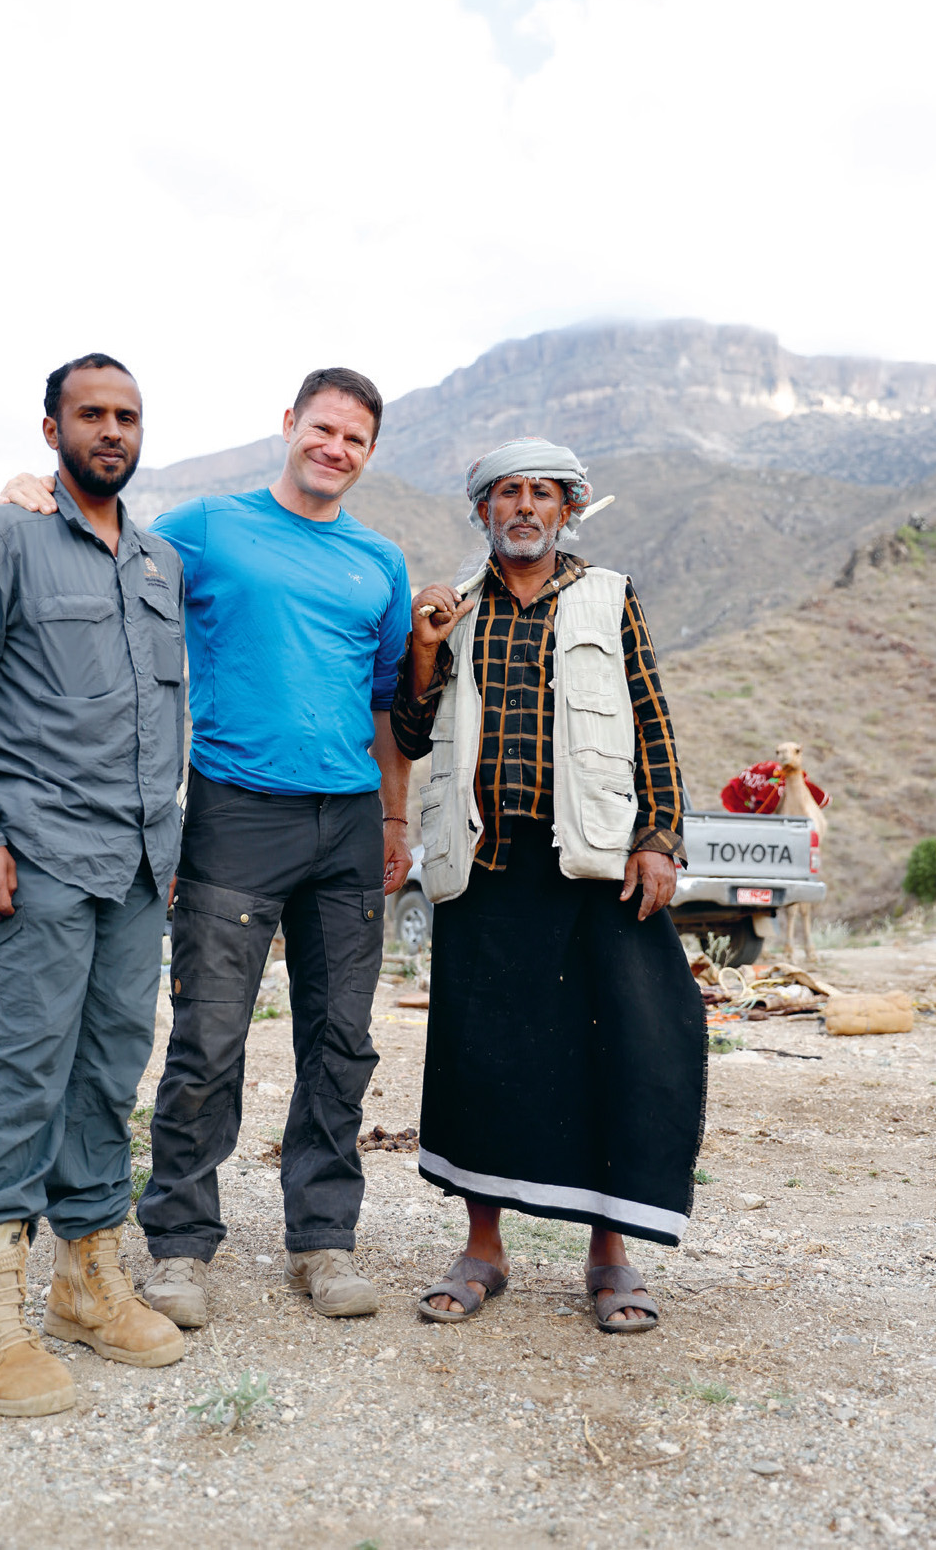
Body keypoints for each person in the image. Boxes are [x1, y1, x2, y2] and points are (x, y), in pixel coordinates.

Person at [0, 367, 414, 1327]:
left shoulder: (378, 562)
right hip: (235, 813)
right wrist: (33, 492)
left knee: (340, 1041)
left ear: (369, 452)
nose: (334, 449)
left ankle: (323, 1240)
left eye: (354, 438)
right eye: (322, 429)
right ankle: (181, 1245)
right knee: (209, 1038)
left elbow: (388, 699)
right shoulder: (212, 529)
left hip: (347, 820)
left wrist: (394, 819)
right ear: (289, 426)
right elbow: (101, 547)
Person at [0, 353, 187, 1417]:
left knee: (109, 1068)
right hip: (33, 856)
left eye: (126, 415)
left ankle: (85, 1274)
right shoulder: (1, 538)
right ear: (50, 429)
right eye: (90, 414)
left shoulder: (159, 561)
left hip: (137, 864)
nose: (110, 430)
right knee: (23, 1068)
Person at [389, 437, 706, 1333]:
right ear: (481, 510)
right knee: (479, 1054)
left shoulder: (609, 597)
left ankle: (609, 1256)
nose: (524, 506)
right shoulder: (454, 609)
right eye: (506, 493)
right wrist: (423, 652)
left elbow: (652, 722)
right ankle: (482, 1248)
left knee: (617, 1047)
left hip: (593, 863)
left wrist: (660, 837)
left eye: (542, 493)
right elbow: (411, 738)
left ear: (568, 510)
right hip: (485, 867)